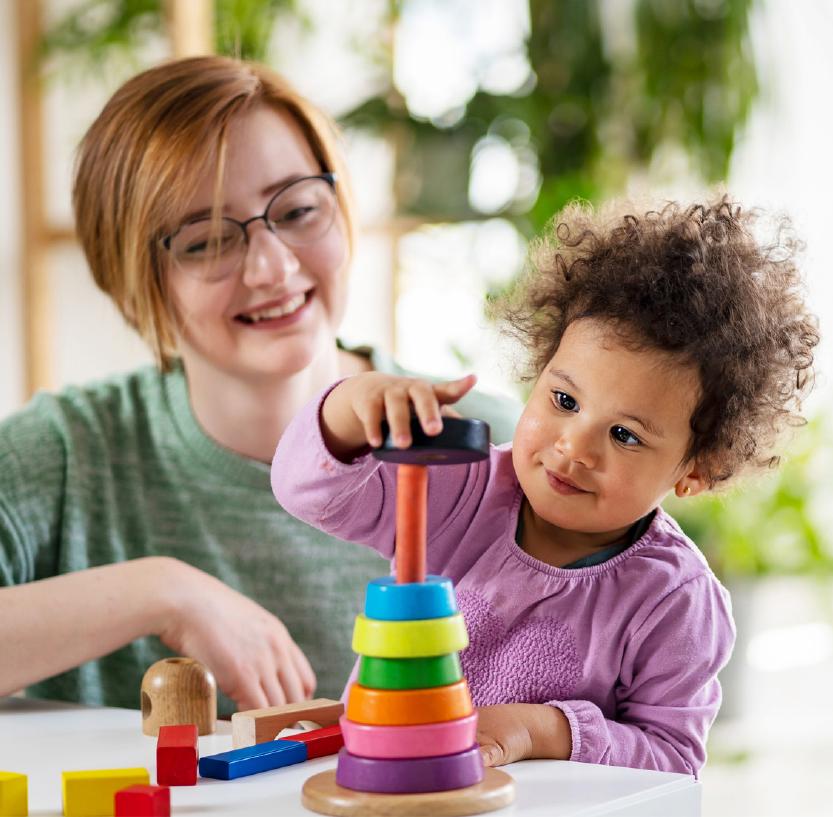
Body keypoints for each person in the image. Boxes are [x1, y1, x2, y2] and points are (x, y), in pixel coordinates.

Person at [0, 56, 522, 715]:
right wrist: (162, 592)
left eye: (296, 209)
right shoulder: (66, 455)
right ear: (131, 279)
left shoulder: (496, 447)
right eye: (205, 242)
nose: (271, 267)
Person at [271, 195, 819, 775]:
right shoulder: (461, 488)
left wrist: (542, 730)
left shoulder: (677, 601)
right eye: (563, 401)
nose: (573, 448)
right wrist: (351, 411)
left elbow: (672, 757)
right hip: (391, 785)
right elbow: (307, 491)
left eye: (625, 435)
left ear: (696, 468)